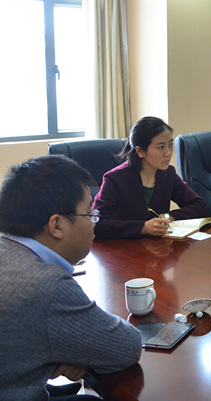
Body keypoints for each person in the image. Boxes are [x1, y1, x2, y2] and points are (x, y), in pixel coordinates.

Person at [0, 155, 142, 401]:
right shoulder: (47, 286)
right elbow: (126, 347)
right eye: (89, 213)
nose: (95, 221)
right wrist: (72, 352)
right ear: (56, 226)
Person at [93, 117, 209, 239]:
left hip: (158, 246)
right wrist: (142, 228)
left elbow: (200, 206)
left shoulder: (168, 174)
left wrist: (168, 216)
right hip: (123, 246)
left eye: (170, 144)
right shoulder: (115, 179)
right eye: (161, 147)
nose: (168, 153)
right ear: (140, 151)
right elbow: (96, 224)